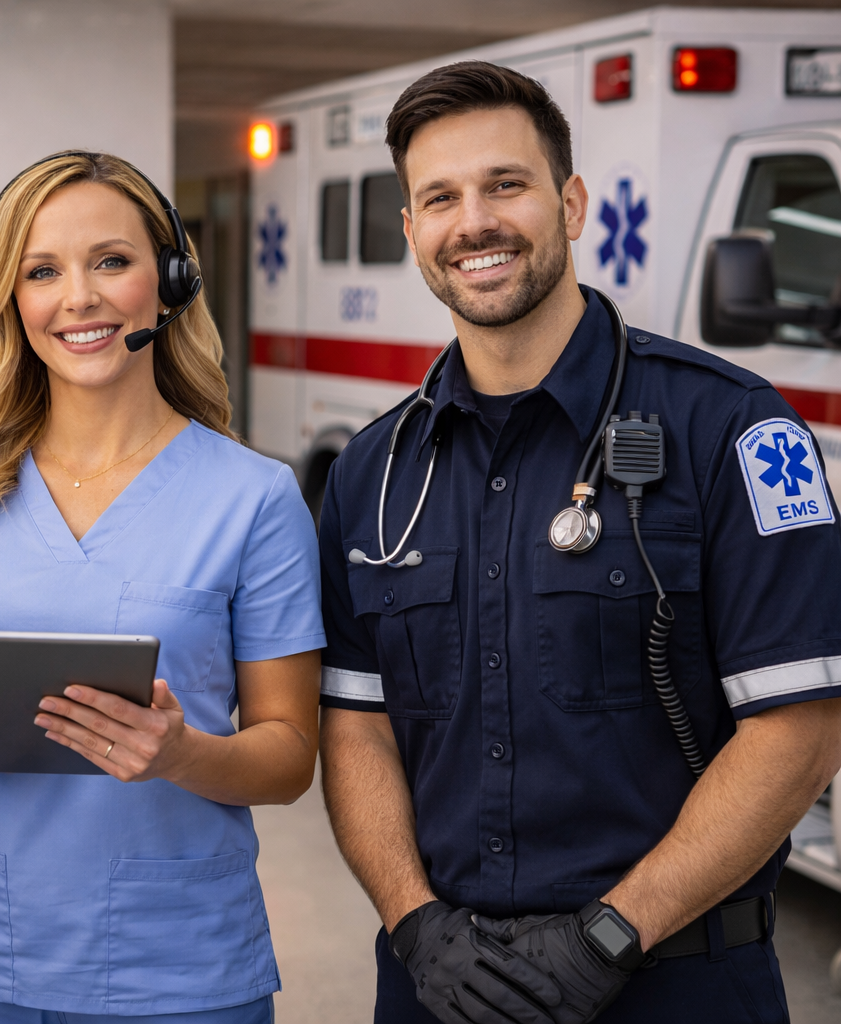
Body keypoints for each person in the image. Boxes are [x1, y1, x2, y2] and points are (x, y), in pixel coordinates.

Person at [317, 60, 841, 1024]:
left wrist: (613, 932)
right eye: (440, 198)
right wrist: (415, 923)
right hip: (442, 990)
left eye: (505, 185)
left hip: (678, 986)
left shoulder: (733, 431)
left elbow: (799, 734)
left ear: (570, 203)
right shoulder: (372, 474)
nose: (474, 221)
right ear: (412, 232)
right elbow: (356, 725)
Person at [0, 151, 324, 1022]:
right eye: (42, 271)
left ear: (168, 283)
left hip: (182, 968)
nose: (78, 298)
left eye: (111, 262)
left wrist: (178, 753)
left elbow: (289, 756)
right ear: (12, 301)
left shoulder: (254, 497)